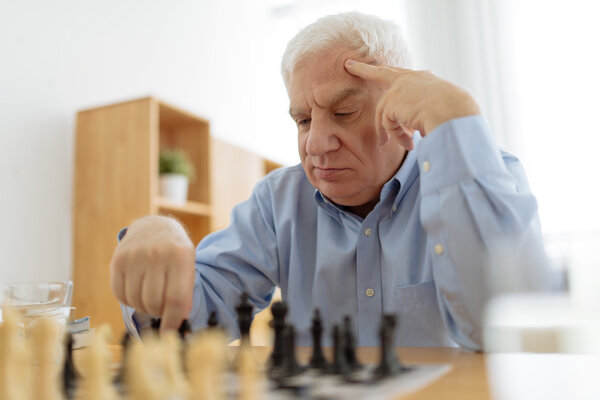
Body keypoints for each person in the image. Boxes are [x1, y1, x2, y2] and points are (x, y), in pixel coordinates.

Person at [110, 12, 551, 350]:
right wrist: (158, 238)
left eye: (343, 113)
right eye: (302, 120)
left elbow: (513, 330)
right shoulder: (278, 200)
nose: (316, 144)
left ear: (401, 106)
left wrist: (455, 120)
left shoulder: (481, 170)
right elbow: (189, 326)